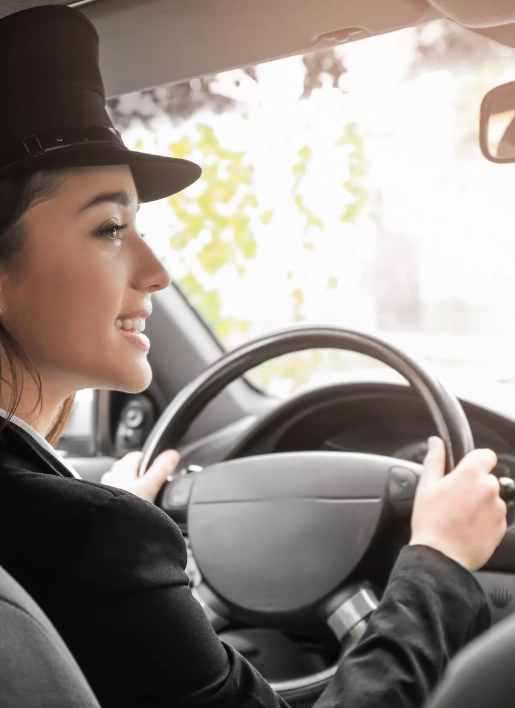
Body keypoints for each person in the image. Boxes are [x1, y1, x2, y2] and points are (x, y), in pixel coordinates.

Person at [0, 4, 507, 708]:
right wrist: (437, 561)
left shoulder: (64, 527)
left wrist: (104, 507)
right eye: (110, 228)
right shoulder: (92, 541)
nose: (157, 271)